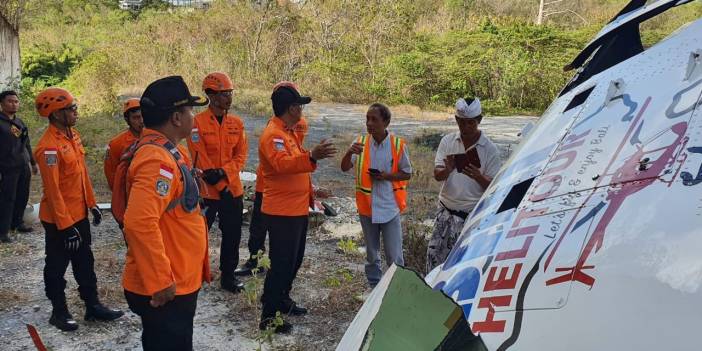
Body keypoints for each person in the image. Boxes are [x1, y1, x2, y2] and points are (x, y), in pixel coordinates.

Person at [121, 76, 211, 350]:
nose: (193, 116)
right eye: (189, 111)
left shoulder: (168, 151)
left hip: (178, 276)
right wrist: (161, 281)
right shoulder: (156, 159)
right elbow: (138, 223)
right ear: (176, 117)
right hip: (167, 287)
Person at [33, 87, 123, 331]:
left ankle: (92, 306)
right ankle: (59, 312)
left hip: (79, 214)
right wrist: (65, 227)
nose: (75, 112)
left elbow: (81, 175)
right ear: (55, 114)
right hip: (58, 220)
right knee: (56, 266)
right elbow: (53, 192)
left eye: (75, 107)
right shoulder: (48, 147)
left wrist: (91, 204)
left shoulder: (73, 136)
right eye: (71, 109)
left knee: (85, 262)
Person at [258, 84, 336, 333]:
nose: (301, 109)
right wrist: (312, 155)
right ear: (291, 108)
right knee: (281, 265)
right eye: (299, 105)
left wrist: (313, 192)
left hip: (296, 209)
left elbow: (295, 172)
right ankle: (269, 317)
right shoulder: (273, 135)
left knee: (293, 261)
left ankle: (283, 301)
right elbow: (282, 165)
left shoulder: (288, 132)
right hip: (282, 212)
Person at [236, 81, 308, 276]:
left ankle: (264, 265)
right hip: (266, 185)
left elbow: (292, 159)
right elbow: (284, 160)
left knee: (275, 237)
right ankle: (256, 261)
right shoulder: (276, 129)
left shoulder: (294, 125)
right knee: (258, 229)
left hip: (278, 188)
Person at [186, 72, 247, 293]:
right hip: (207, 191)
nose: (228, 98)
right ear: (210, 94)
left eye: (230, 93)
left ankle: (228, 276)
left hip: (233, 190)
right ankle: (194, 275)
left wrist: (224, 172)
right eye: (223, 94)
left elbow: (240, 156)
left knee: (232, 236)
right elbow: (198, 155)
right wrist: (217, 180)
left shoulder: (237, 123)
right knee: (198, 235)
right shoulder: (196, 123)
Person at [341, 103, 412, 289]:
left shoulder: (398, 145)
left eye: (374, 119)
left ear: (386, 122)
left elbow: (407, 173)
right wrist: (349, 152)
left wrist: (386, 176)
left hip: (389, 207)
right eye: (367, 119)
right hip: (367, 208)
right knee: (372, 254)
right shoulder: (360, 143)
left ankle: (396, 288)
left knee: (394, 255)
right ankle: (375, 289)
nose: (369, 123)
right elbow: (344, 167)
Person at [426, 97, 501, 272]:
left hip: (471, 216)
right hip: (445, 212)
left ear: (479, 120)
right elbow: (437, 175)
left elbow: (496, 187)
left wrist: (478, 176)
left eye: (470, 123)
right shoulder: (448, 141)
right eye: (462, 123)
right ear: (456, 121)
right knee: (434, 261)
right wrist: (448, 169)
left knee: (461, 266)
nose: (466, 128)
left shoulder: (490, 150)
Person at [0, 90, 37, 243]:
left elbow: (26, 143)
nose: (14, 104)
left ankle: (17, 223)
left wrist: (33, 163)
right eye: (10, 101)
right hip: (6, 167)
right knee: (7, 198)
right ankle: (3, 231)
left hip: (22, 166)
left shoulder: (19, 122)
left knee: (22, 195)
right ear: (2, 103)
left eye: (16, 101)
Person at [104, 98, 143, 192]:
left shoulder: (156, 138)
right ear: (127, 120)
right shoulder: (116, 144)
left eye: (143, 116)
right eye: (136, 117)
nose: (141, 121)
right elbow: (111, 174)